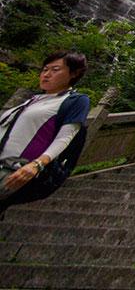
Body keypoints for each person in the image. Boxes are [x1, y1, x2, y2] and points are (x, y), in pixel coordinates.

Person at [0, 52, 91, 214]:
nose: (47, 74)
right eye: (45, 69)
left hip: (14, 168)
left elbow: (65, 137)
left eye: (55, 69)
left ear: (74, 73)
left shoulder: (76, 101)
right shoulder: (32, 100)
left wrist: (38, 164)